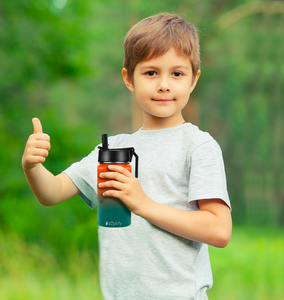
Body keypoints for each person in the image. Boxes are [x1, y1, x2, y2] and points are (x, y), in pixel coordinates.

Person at [22, 13, 232, 300]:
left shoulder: (198, 146)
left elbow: (219, 230)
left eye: (177, 73)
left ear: (193, 80)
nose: (164, 85)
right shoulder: (111, 151)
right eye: (150, 72)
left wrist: (143, 204)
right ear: (128, 78)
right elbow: (52, 192)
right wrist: (32, 166)